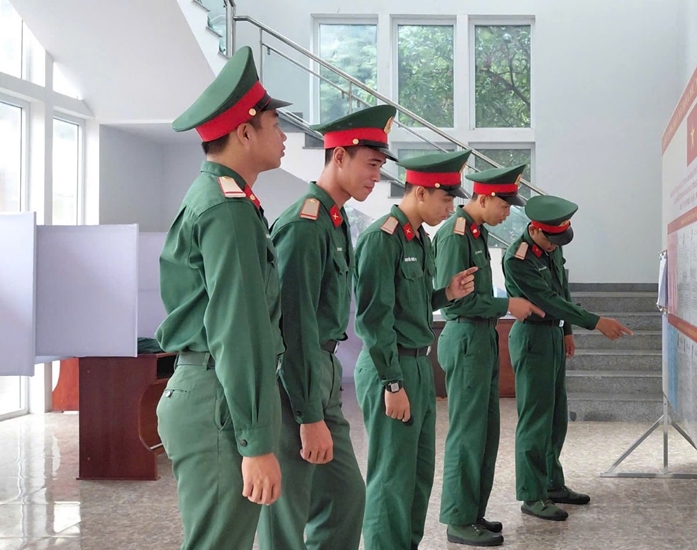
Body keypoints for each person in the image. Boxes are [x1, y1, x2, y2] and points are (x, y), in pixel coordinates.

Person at [154, 46, 288, 549]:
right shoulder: (225, 208)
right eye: (274, 124)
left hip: (214, 392)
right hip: (218, 402)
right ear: (245, 133)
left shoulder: (225, 198)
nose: (283, 136)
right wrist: (254, 441)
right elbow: (239, 327)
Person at [257, 104, 397, 550]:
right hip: (295, 377)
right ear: (339, 157)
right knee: (288, 507)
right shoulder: (305, 225)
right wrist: (309, 415)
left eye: (379, 166)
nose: (376, 176)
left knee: (344, 496)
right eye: (370, 164)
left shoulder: (334, 221)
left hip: (322, 371)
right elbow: (293, 327)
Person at [354, 149, 478, 549]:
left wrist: (446, 293)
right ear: (421, 193)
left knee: (419, 474)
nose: (449, 209)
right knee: (392, 476)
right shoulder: (382, 238)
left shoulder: (419, 237)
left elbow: (412, 302)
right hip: (391, 368)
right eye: (445, 199)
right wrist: (392, 383)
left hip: (419, 365)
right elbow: (374, 319)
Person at [432, 164, 544, 547]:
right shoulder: (455, 234)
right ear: (482, 198)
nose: (508, 213)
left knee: (486, 432)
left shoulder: (476, 234)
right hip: (466, 337)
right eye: (504, 205)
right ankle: (458, 519)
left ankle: (474, 512)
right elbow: (455, 302)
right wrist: (507, 303)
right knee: (467, 434)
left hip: (482, 337)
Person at [502, 195, 633, 522]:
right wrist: (595, 322)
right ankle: (532, 495)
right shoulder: (518, 259)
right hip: (532, 337)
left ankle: (552, 484)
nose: (554, 246)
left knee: (556, 417)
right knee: (535, 420)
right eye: (551, 240)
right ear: (534, 229)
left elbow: (562, 289)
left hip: (552, 335)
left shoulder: (551, 246)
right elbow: (548, 300)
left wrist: (567, 330)